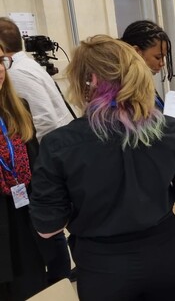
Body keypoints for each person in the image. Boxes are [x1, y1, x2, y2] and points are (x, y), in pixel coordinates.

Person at [28, 35, 175, 301]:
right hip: (165, 257)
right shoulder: (169, 129)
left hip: (104, 268)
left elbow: (47, 226)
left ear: (87, 82)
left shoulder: (59, 144)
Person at [0, 17, 73, 286]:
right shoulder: (24, 69)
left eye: (0, 61)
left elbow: (45, 127)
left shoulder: (17, 100)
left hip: (26, 201)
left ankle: (58, 280)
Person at [0, 42, 47, 300]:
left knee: (31, 287)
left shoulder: (20, 109)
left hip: (23, 218)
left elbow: (36, 163)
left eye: (0, 61)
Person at [120, 20, 175, 113]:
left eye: (163, 57)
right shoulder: (125, 89)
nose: (162, 63)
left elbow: (160, 118)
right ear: (137, 52)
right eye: (158, 57)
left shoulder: (142, 82)